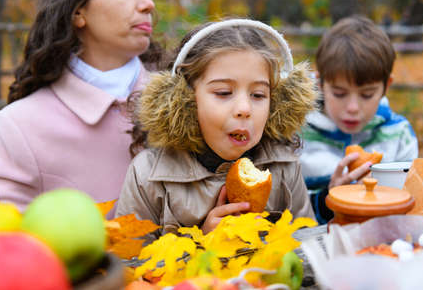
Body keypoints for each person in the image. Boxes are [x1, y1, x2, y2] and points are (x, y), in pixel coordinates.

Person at [116, 19, 318, 239]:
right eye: (223, 93)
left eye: (258, 95)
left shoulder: (285, 168)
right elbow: (130, 265)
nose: (244, 109)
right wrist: (202, 243)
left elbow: (309, 248)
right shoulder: (147, 176)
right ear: (184, 101)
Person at [0, 0, 164, 216]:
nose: (148, 4)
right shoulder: (17, 127)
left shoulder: (197, 103)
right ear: (77, 10)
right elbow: (9, 241)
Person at [296, 16, 419, 224]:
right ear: (321, 83)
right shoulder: (297, 138)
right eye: (339, 94)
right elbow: (288, 214)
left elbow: (415, 203)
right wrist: (329, 200)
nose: (352, 108)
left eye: (367, 95)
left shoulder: (400, 136)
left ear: (386, 86)